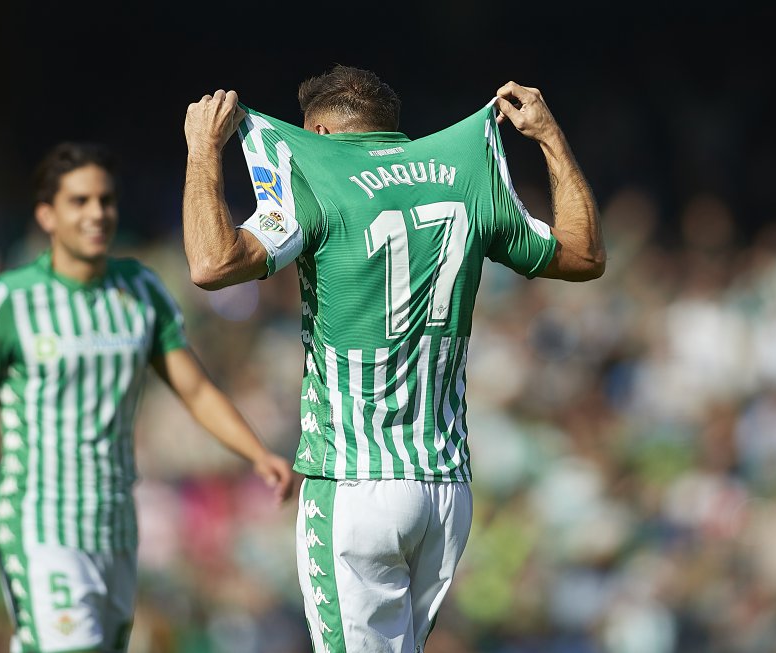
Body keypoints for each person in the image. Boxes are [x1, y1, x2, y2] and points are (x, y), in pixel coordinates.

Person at [182, 65, 605, 653]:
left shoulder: (313, 172)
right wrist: (551, 138)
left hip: (355, 483)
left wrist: (204, 150)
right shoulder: (462, 171)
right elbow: (582, 255)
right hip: (444, 491)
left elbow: (212, 264)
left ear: (320, 134)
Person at [0, 141, 294, 653]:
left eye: (106, 201)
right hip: (39, 519)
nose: (97, 213)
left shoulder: (140, 290)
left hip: (115, 521)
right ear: (47, 214)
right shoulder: (7, 300)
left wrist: (258, 453)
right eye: (80, 201)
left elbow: (196, 389)